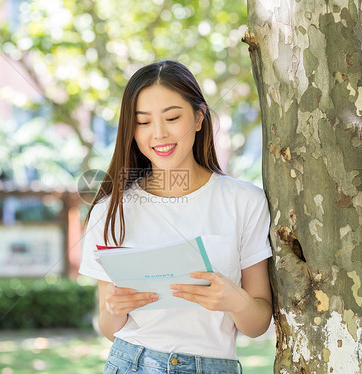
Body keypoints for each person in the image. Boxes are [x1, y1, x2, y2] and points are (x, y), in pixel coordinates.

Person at [79, 60, 273, 374]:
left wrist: (235, 300)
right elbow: (109, 327)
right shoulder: (109, 211)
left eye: (172, 118)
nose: (158, 134)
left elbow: (258, 323)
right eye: (142, 122)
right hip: (131, 363)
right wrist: (114, 309)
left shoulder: (244, 201)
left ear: (199, 117)